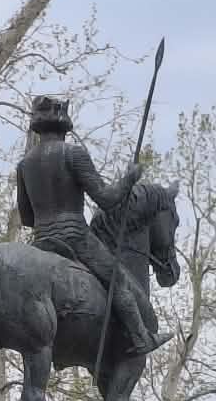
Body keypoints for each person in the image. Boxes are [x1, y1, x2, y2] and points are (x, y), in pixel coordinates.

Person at [15, 94, 162, 359]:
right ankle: (140, 336)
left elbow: (26, 217)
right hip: (75, 237)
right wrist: (129, 179)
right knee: (118, 280)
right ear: (64, 123)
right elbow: (106, 199)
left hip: (41, 242)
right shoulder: (74, 154)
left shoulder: (25, 164)